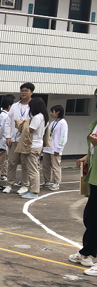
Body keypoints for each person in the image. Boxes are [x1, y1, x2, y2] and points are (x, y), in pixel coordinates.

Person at [71, 124, 97, 276]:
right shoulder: (95, 123)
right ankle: (86, 253)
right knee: (90, 217)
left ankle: (87, 252)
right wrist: (87, 157)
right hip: (95, 176)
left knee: (94, 218)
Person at [3, 83, 34, 194]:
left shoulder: (33, 106)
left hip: (26, 140)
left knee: (25, 164)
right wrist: (8, 136)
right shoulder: (15, 106)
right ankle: (9, 184)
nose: (23, 93)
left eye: (26, 90)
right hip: (14, 139)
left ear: (31, 92)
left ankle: (25, 185)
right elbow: (8, 122)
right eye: (22, 90)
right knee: (12, 162)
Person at [17, 97, 48, 200]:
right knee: (31, 168)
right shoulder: (44, 117)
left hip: (33, 145)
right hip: (37, 144)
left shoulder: (37, 117)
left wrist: (23, 123)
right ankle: (31, 189)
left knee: (32, 170)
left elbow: (30, 130)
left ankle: (34, 191)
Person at [42, 105, 68, 191]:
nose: (51, 113)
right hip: (47, 148)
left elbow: (64, 137)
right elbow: (47, 135)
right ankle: (47, 181)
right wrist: (43, 146)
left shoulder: (63, 123)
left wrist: (59, 148)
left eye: (52, 112)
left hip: (55, 149)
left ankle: (56, 182)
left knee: (55, 166)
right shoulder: (52, 123)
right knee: (46, 166)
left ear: (58, 112)